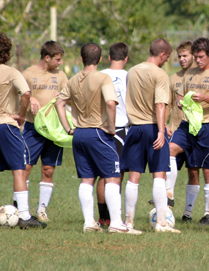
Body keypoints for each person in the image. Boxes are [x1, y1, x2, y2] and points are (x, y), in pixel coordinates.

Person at [55, 43, 139, 234]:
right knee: (111, 176)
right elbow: (110, 102)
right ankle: (116, 223)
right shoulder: (103, 77)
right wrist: (111, 127)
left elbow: (59, 103)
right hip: (98, 133)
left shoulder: (73, 79)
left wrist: (68, 129)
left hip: (79, 134)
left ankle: (89, 223)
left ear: (81, 59)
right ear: (100, 59)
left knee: (87, 179)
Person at [121, 38, 180, 233]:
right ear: (162, 54)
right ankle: (161, 223)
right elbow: (160, 104)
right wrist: (162, 131)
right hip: (153, 127)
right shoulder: (160, 74)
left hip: (134, 128)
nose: (167, 61)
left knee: (133, 176)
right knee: (159, 175)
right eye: (167, 57)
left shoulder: (132, 71)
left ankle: (128, 223)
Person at [169, 37, 209, 225]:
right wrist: (180, 102)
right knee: (170, 150)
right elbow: (180, 96)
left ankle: (208, 214)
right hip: (187, 124)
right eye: (195, 57)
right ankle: (170, 197)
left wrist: (206, 98)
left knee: (207, 170)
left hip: (208, 125)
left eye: (201, 57)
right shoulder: (189, 73)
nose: (197, 61)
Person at [0, 32, 46, 229]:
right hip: (6, 125)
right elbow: (26, 93)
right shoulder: (11, 73)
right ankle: (25, 217)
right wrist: (20, 115)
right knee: (19, 169)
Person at [22, 41, 68, 222]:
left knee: (48, 169)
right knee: (24, 168)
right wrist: (30, 97)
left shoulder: (61, 76)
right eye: (57, 59)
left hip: (53, 130)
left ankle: (42, 210)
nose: (60, 63)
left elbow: (70, 97)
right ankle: (21, 208)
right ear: (47, 57)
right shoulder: (28, 74)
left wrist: (63, 97)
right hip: (33, 128)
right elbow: (17, 94)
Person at [96, 42, 129, 227]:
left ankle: (103, 217)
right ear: (126, 58)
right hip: (120, 128)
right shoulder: (129, 77)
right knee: (117, 174)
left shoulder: (100, 76)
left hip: (99, 128)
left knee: (103, 175)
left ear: (109, 58)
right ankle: (115, 217)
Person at [166, 41, 196, 208]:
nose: (182, 59)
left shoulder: (198, 77)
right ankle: (167, 202)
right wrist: (165, 124)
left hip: (194, 132)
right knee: (168, 169)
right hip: (176, 132)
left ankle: (188, 213)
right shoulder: (173, 79)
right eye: (180, 56)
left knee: (193, 172)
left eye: (186, 56)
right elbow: (167, 105)